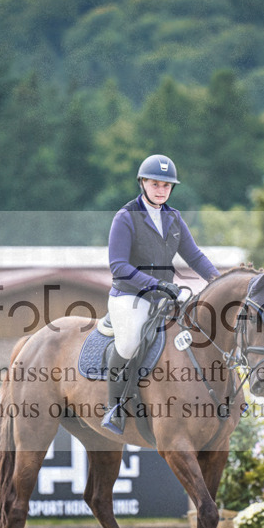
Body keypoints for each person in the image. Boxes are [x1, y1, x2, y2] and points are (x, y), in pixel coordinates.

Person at [101, 154, 220, 433]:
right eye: (155, 184)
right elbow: (118, 266)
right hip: (130, 296)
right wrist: (155, 285)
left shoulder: (174, 218)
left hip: (166, 298)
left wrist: (218, 280)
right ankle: (114, 407)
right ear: (143, 183)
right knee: (130, 342)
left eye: (166, 186)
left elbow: (194, 256)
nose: (161, 190)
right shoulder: (126, 217)